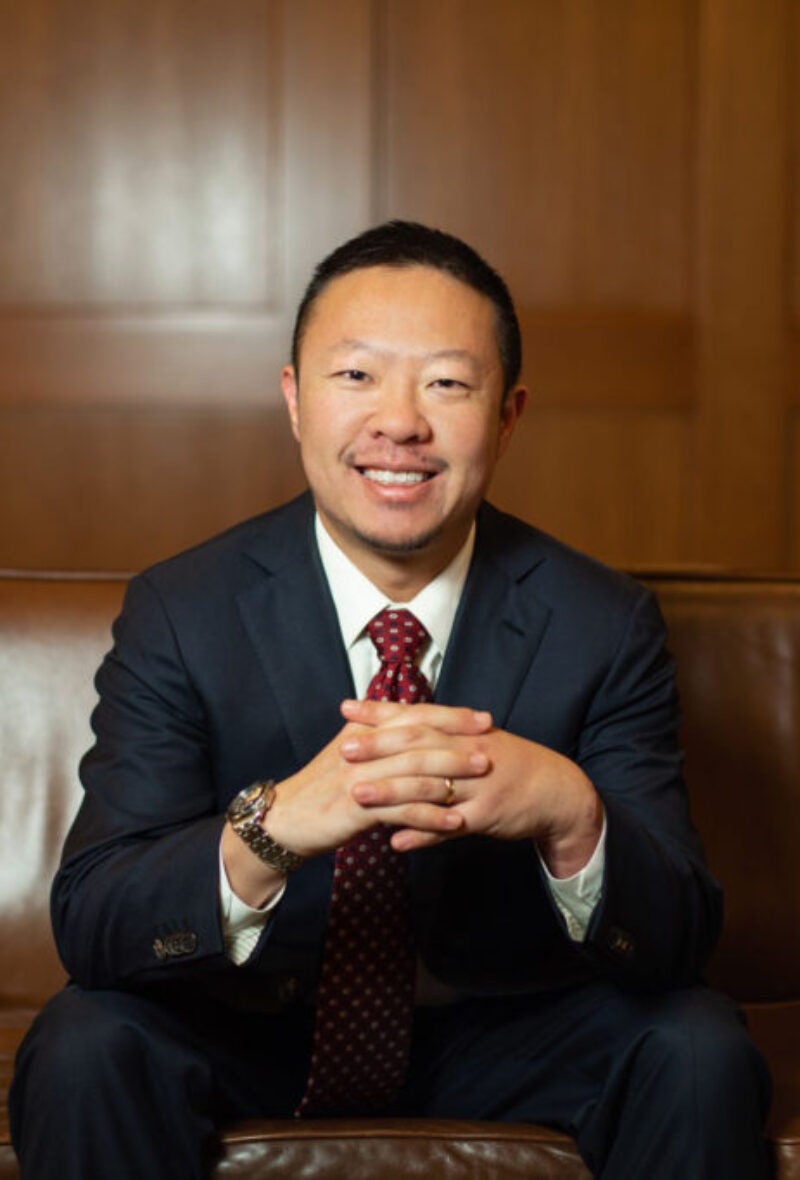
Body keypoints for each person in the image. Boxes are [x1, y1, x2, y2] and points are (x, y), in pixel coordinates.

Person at [10, 221, 771, 1178]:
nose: (401, 422)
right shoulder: (182, 610)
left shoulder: (601, 622)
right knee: (85, 1045)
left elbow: (679, 937)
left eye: (447, 383)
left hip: (506, 1034)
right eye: (356, 376)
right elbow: (96, 921)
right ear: (293, 400)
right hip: (246, 1032)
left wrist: (574, 816)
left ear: (508, 414)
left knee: (697, 1046)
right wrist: (275, 825)